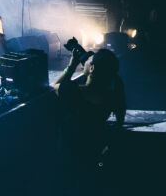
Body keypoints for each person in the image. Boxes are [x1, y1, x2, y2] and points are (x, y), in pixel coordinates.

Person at [54, 45, 126, 193]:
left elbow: (56, 86)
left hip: (69, 159)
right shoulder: (111, 98)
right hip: (93, 155)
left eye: (89, 60)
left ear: (92, 69)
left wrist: (71, 66)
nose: (86, 61)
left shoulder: (72, 90)